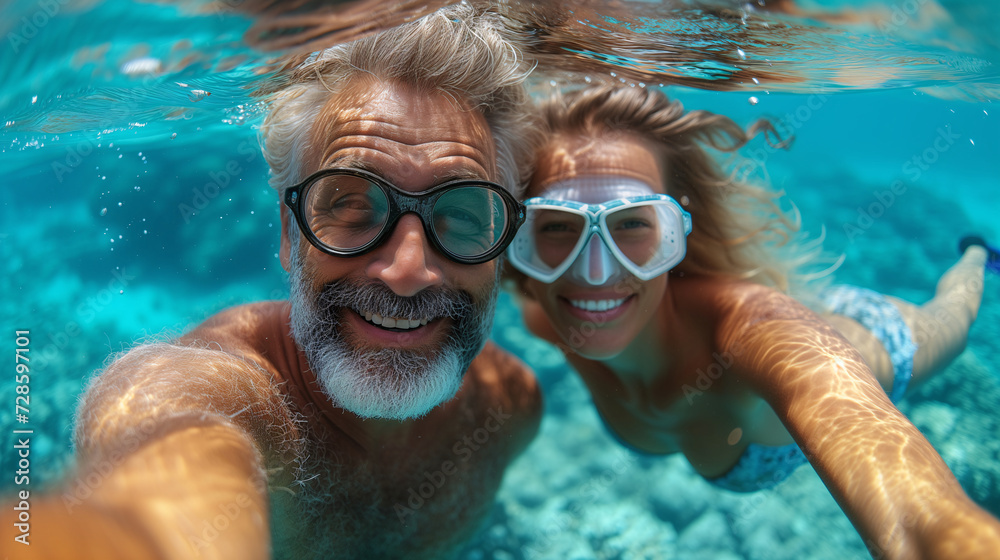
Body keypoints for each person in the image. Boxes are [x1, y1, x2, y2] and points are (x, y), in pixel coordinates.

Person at [2, 6, 542, 559]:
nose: (407, 271)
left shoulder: (511, 409)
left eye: (464, 214)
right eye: (353, 206)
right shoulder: (214, 394)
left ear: (502, 251)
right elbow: (156, 489)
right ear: (290, 234)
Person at [507, 83, 1000, 558]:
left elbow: (919, 524)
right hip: (793, 307)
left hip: (866, 334)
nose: (595, 272)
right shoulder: (541, 318)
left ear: (676, 232)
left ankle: (977, 254)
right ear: (519, 239)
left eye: (633, 222)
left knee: (955, 314)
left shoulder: (751, 329)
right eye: (556, 225)